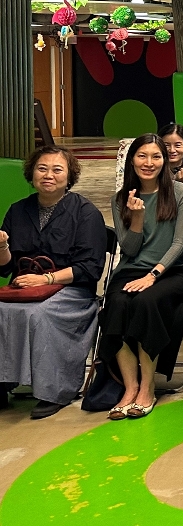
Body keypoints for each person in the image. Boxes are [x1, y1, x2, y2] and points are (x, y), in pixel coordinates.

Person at [0, 147, 106, 419]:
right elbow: (6, 268)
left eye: (57, 170)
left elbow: (89, 268)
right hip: (24, 288)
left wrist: (46, 279)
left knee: (40, 314)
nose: (48, 175)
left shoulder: (85, 212)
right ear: (31, 173)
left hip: (72, 292)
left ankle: (54, 390)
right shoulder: (17, 210)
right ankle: (2, 383)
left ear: (69, 176)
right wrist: (2, 246)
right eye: (42, 168)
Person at [102, 135, 183, 420]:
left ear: (164, 161)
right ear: (131, 160)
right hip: (131, 270)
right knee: (116, 305)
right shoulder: (120, 199)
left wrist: (153, 275)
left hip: (174, 270)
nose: (149, 162)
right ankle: (130, 388)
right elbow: (129, 250)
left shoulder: (181, 192)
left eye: (156, 156)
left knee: (145, 302)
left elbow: (180, 243)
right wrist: (137, 219)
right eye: (142, 156)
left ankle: (147, 387)